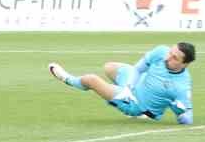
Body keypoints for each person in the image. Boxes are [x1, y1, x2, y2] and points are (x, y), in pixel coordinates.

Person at [48, 43, 195, 125]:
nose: (168, 58)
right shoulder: (161, 52)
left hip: (137, 104)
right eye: (170, 52)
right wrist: (128, 87)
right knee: (109, 67)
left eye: (174, 58)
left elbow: (187, 117)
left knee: (91, 80)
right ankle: (120, 93)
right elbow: (137, 69)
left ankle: (67, 79)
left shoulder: (181, 86)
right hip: (136, 85)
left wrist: (182, 114)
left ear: (185, 64)